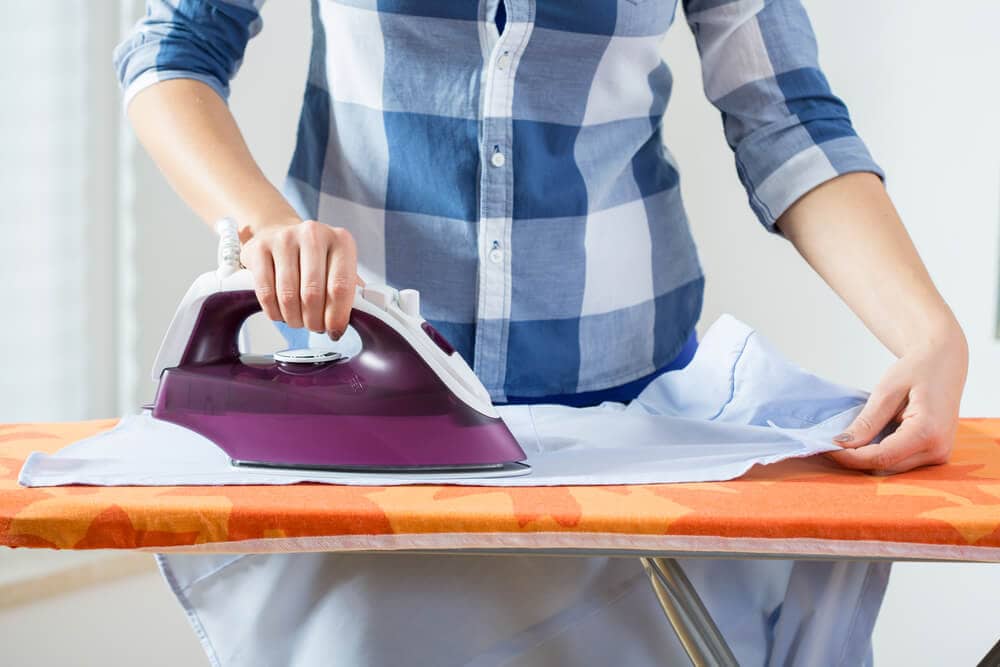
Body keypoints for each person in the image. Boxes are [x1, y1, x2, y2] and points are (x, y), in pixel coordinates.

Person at [114, 0, 968, 664]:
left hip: (634, 413)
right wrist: (266, 229)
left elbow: (785, 115)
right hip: (367, 431)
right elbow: (173, 48)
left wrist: (925, 330)